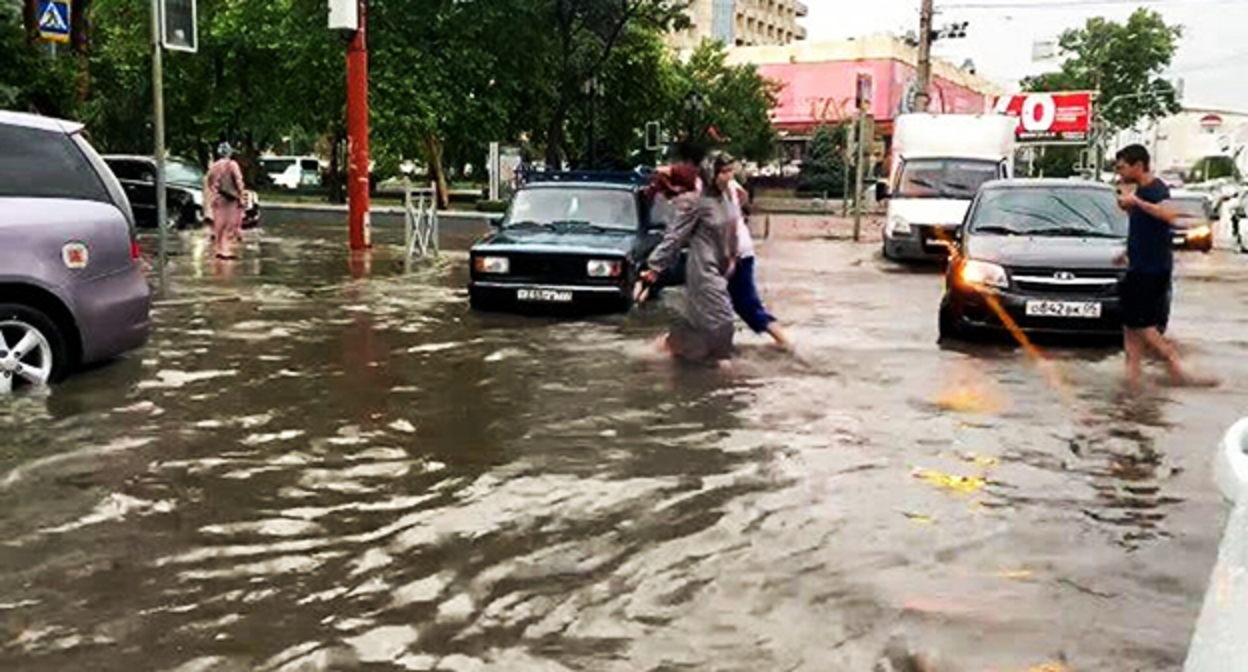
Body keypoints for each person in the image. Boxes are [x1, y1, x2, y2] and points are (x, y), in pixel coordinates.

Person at [1114, 144, 1215, 389]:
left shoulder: (1155, 189)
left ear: (1138, 165)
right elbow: (1143, 230)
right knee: (1130, 327)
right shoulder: (1140, 191)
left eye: (1122, 168)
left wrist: (1136, 202)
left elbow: (1169, 216)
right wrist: (1126, 252)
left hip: (1152, 270)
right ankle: (1133, 381)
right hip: (1138, 267)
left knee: (1143, 327)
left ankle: (1176, 366)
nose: (1119, 174)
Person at [640, 153, 739, 363]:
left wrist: (732, 255)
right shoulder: (696, 202)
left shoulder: (726, 197)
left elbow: (732, 228)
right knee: (723, 318)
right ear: (712, 174)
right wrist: (654, 267)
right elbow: (675, 236)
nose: (729, 176)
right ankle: (723, 363)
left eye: (731, 170)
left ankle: (664, 349)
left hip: (720, 267)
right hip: (703, 270)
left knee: (699, 321)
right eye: (724, 172)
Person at [725, 173, 790, 348]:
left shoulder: (708, 185)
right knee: (740, 304)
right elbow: (743, 195)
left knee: (743, 304)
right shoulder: (726, 183)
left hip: (734, 251)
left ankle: (785, 342)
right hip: (738, 250)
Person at [205, 142, 246, 259]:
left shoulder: (214, 166)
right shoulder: (232, 165)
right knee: (230, 224)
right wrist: (241, 195)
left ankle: (220, 249)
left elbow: (209, 181)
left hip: (218, 198)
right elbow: (239, 181)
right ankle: (226, 251)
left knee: (219, 225)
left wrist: (213, 195)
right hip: (230, 199)